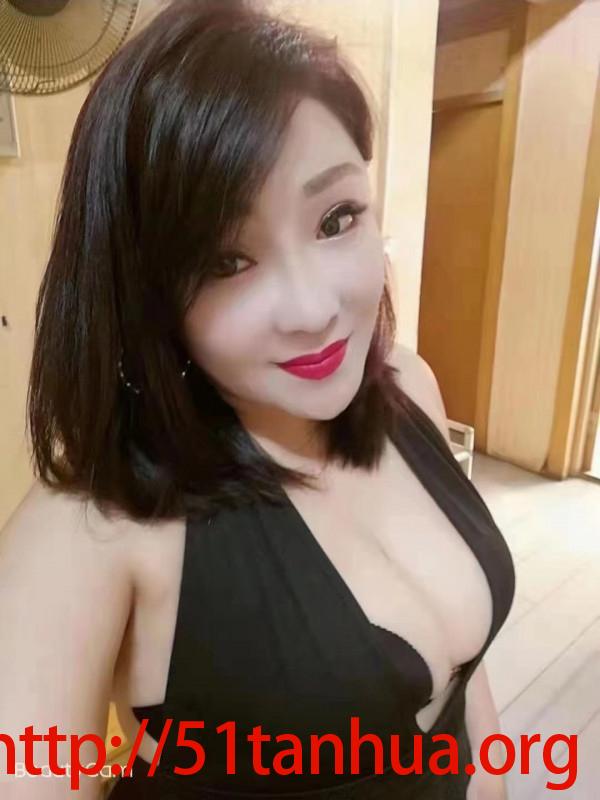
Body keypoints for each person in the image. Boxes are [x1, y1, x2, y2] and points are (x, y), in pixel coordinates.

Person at [0, 0, 515, 798]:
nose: (312, 308)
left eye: (337, 218)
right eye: (225, 262)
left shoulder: (408, 386)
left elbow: (464, 685)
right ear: (142, 293)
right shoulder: (90, 529)